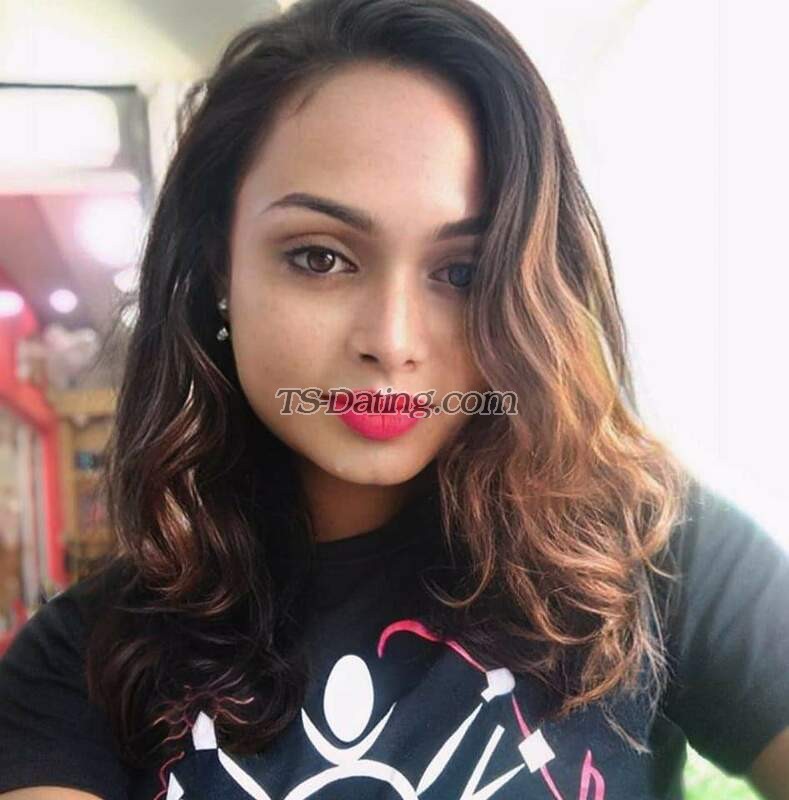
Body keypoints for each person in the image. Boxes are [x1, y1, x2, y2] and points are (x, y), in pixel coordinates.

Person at [1, 0, 788, 798]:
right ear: (218, 267)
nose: (393, 338)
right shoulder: (84, 662)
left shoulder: (652, 552)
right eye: (319, 257)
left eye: (462, 272)